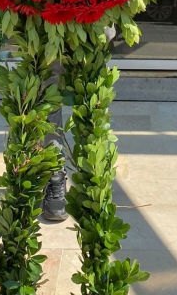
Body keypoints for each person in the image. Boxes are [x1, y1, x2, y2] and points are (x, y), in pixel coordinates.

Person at [41, 23, 117, 222]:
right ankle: (55, 175)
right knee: (50, 87)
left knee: (94, 87)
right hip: (52, 7)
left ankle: (93, 177)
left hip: (96, 7)